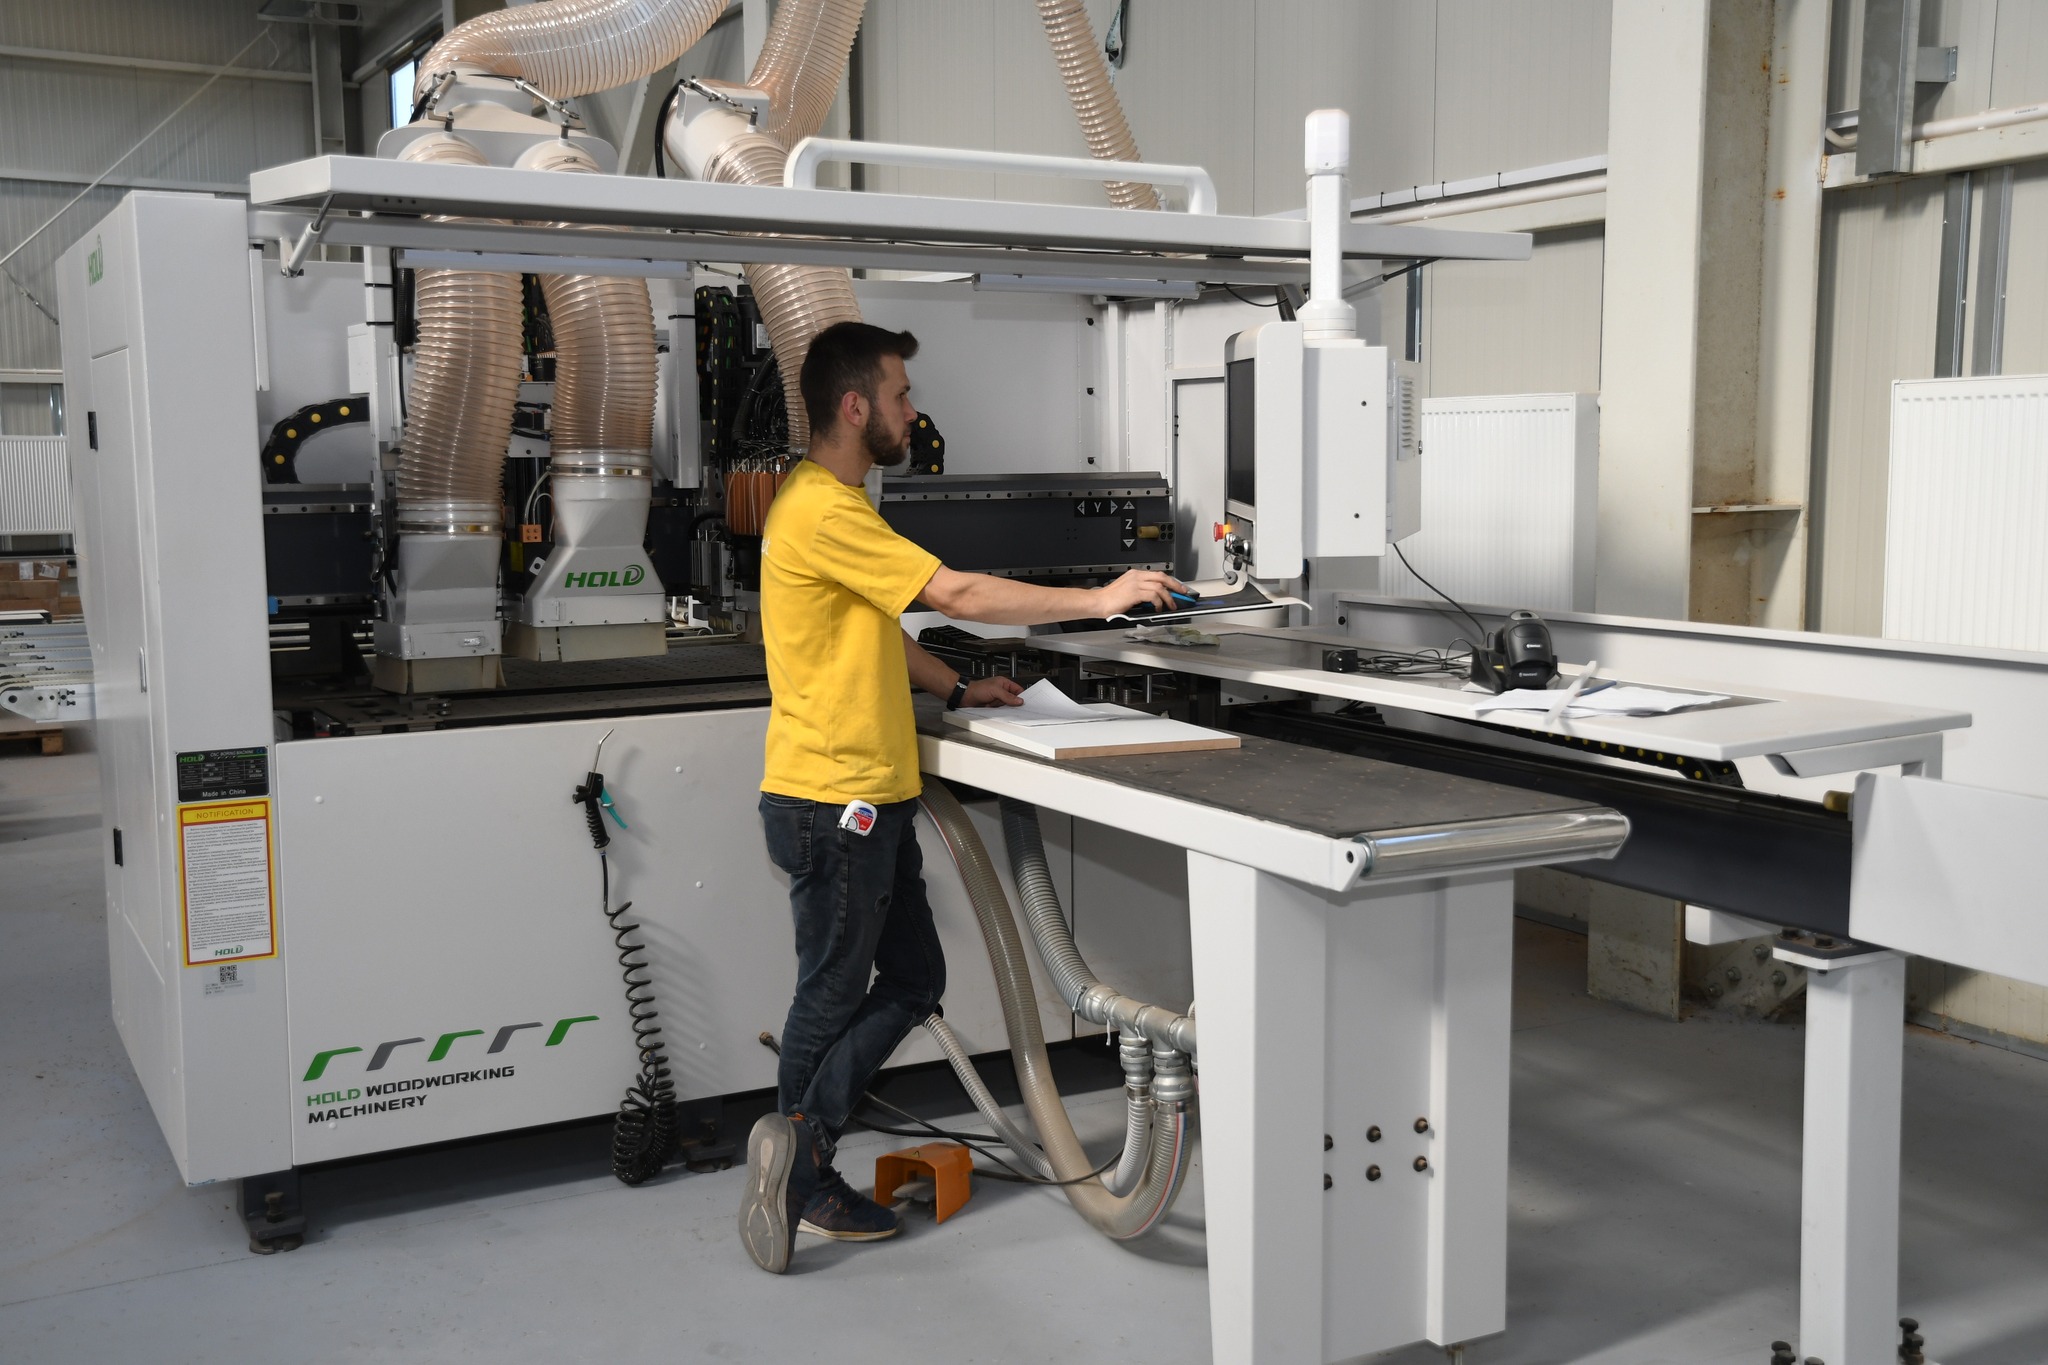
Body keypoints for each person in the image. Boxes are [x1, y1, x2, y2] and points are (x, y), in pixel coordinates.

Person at [738, 320, 1185, 1274]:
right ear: (854, 406)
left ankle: (798, 1146)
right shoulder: (822, 509)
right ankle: (800, 1165)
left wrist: (954, 685)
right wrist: (1100, 598)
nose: (912, 411)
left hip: (867, 795)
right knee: (830, 992)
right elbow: (958, 595)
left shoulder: (830, 504)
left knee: (913, 981)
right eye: (899, 394)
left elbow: (876, 624)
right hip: (835, 801)